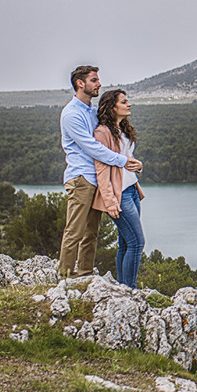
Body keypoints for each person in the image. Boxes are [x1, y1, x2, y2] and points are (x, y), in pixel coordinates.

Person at [58, 66, 142, 278]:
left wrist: (131, 163)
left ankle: (85, 273)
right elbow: (93, 148)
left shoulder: (91, 111)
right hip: (81, 178)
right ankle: (65, 277)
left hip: (96, 178)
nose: (99, 84)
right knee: (75, 230)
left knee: (91, 233)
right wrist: (122, 161)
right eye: (94, 80)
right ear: (80, 83)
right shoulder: (71, 114)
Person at [93, 89, 147, 288]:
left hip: (132, 189)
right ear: (112, 107)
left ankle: (123, 287)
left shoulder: (123, 128)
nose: (129, 104)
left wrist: (139, 166)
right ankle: (130, 290)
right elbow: (101, 169)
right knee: (137, 242)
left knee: (125, 242)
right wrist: (109, 200)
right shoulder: (102, 133)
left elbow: (127, 161)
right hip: (120, 195)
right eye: (124, 102)